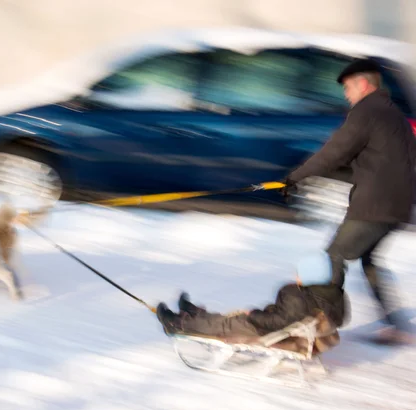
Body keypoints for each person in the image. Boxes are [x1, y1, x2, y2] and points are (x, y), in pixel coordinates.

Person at [282, 58, 416, 343]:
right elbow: (371, 161)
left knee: (332, 259)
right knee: (369, 260)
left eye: (348, 88)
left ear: (364, 84)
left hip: (374, 207)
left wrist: (296, 176)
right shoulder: (395, 116)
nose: (346, 94)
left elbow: (335, 151)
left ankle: (315, 328)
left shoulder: (366, 112)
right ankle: (396, 326)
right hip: (398, 207)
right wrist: (316, 175)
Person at [156, 252, 347, 340]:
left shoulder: (298, 297)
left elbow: (280, 321)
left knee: (225, 324)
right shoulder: (332, 295)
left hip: (268, 331)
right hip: (289, 329)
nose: (295, 276)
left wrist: (254, 315)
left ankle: (178, 324)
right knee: (230, 318)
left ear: (309, 277)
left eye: (298, 273)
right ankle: (194, 313)